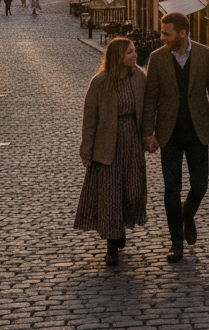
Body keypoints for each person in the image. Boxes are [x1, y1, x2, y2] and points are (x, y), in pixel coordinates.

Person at [142, 12, 209, 264]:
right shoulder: (157, 58)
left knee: (200, 185)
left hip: (198, 131)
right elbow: (150, 97)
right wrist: (148, 133)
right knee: (171, 188)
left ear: (182, 33)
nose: (162, 37)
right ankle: (176, 242)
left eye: (166, 33)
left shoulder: (205, 54)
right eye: (162, 32)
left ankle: (187, 214)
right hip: (168, 133)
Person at [74, 38, 147, 266]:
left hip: (132, 142)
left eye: (134, 51)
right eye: (130, 52)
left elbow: (149, 109)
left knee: (132, 191)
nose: (135, 55)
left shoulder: (139, 78)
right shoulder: (100, 82)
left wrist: (150, 136)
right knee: (110, 196)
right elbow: (90, 119)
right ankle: (112, 247)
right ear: (118, 56)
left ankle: (120, 227)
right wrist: (86, 151)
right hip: (107, 145)